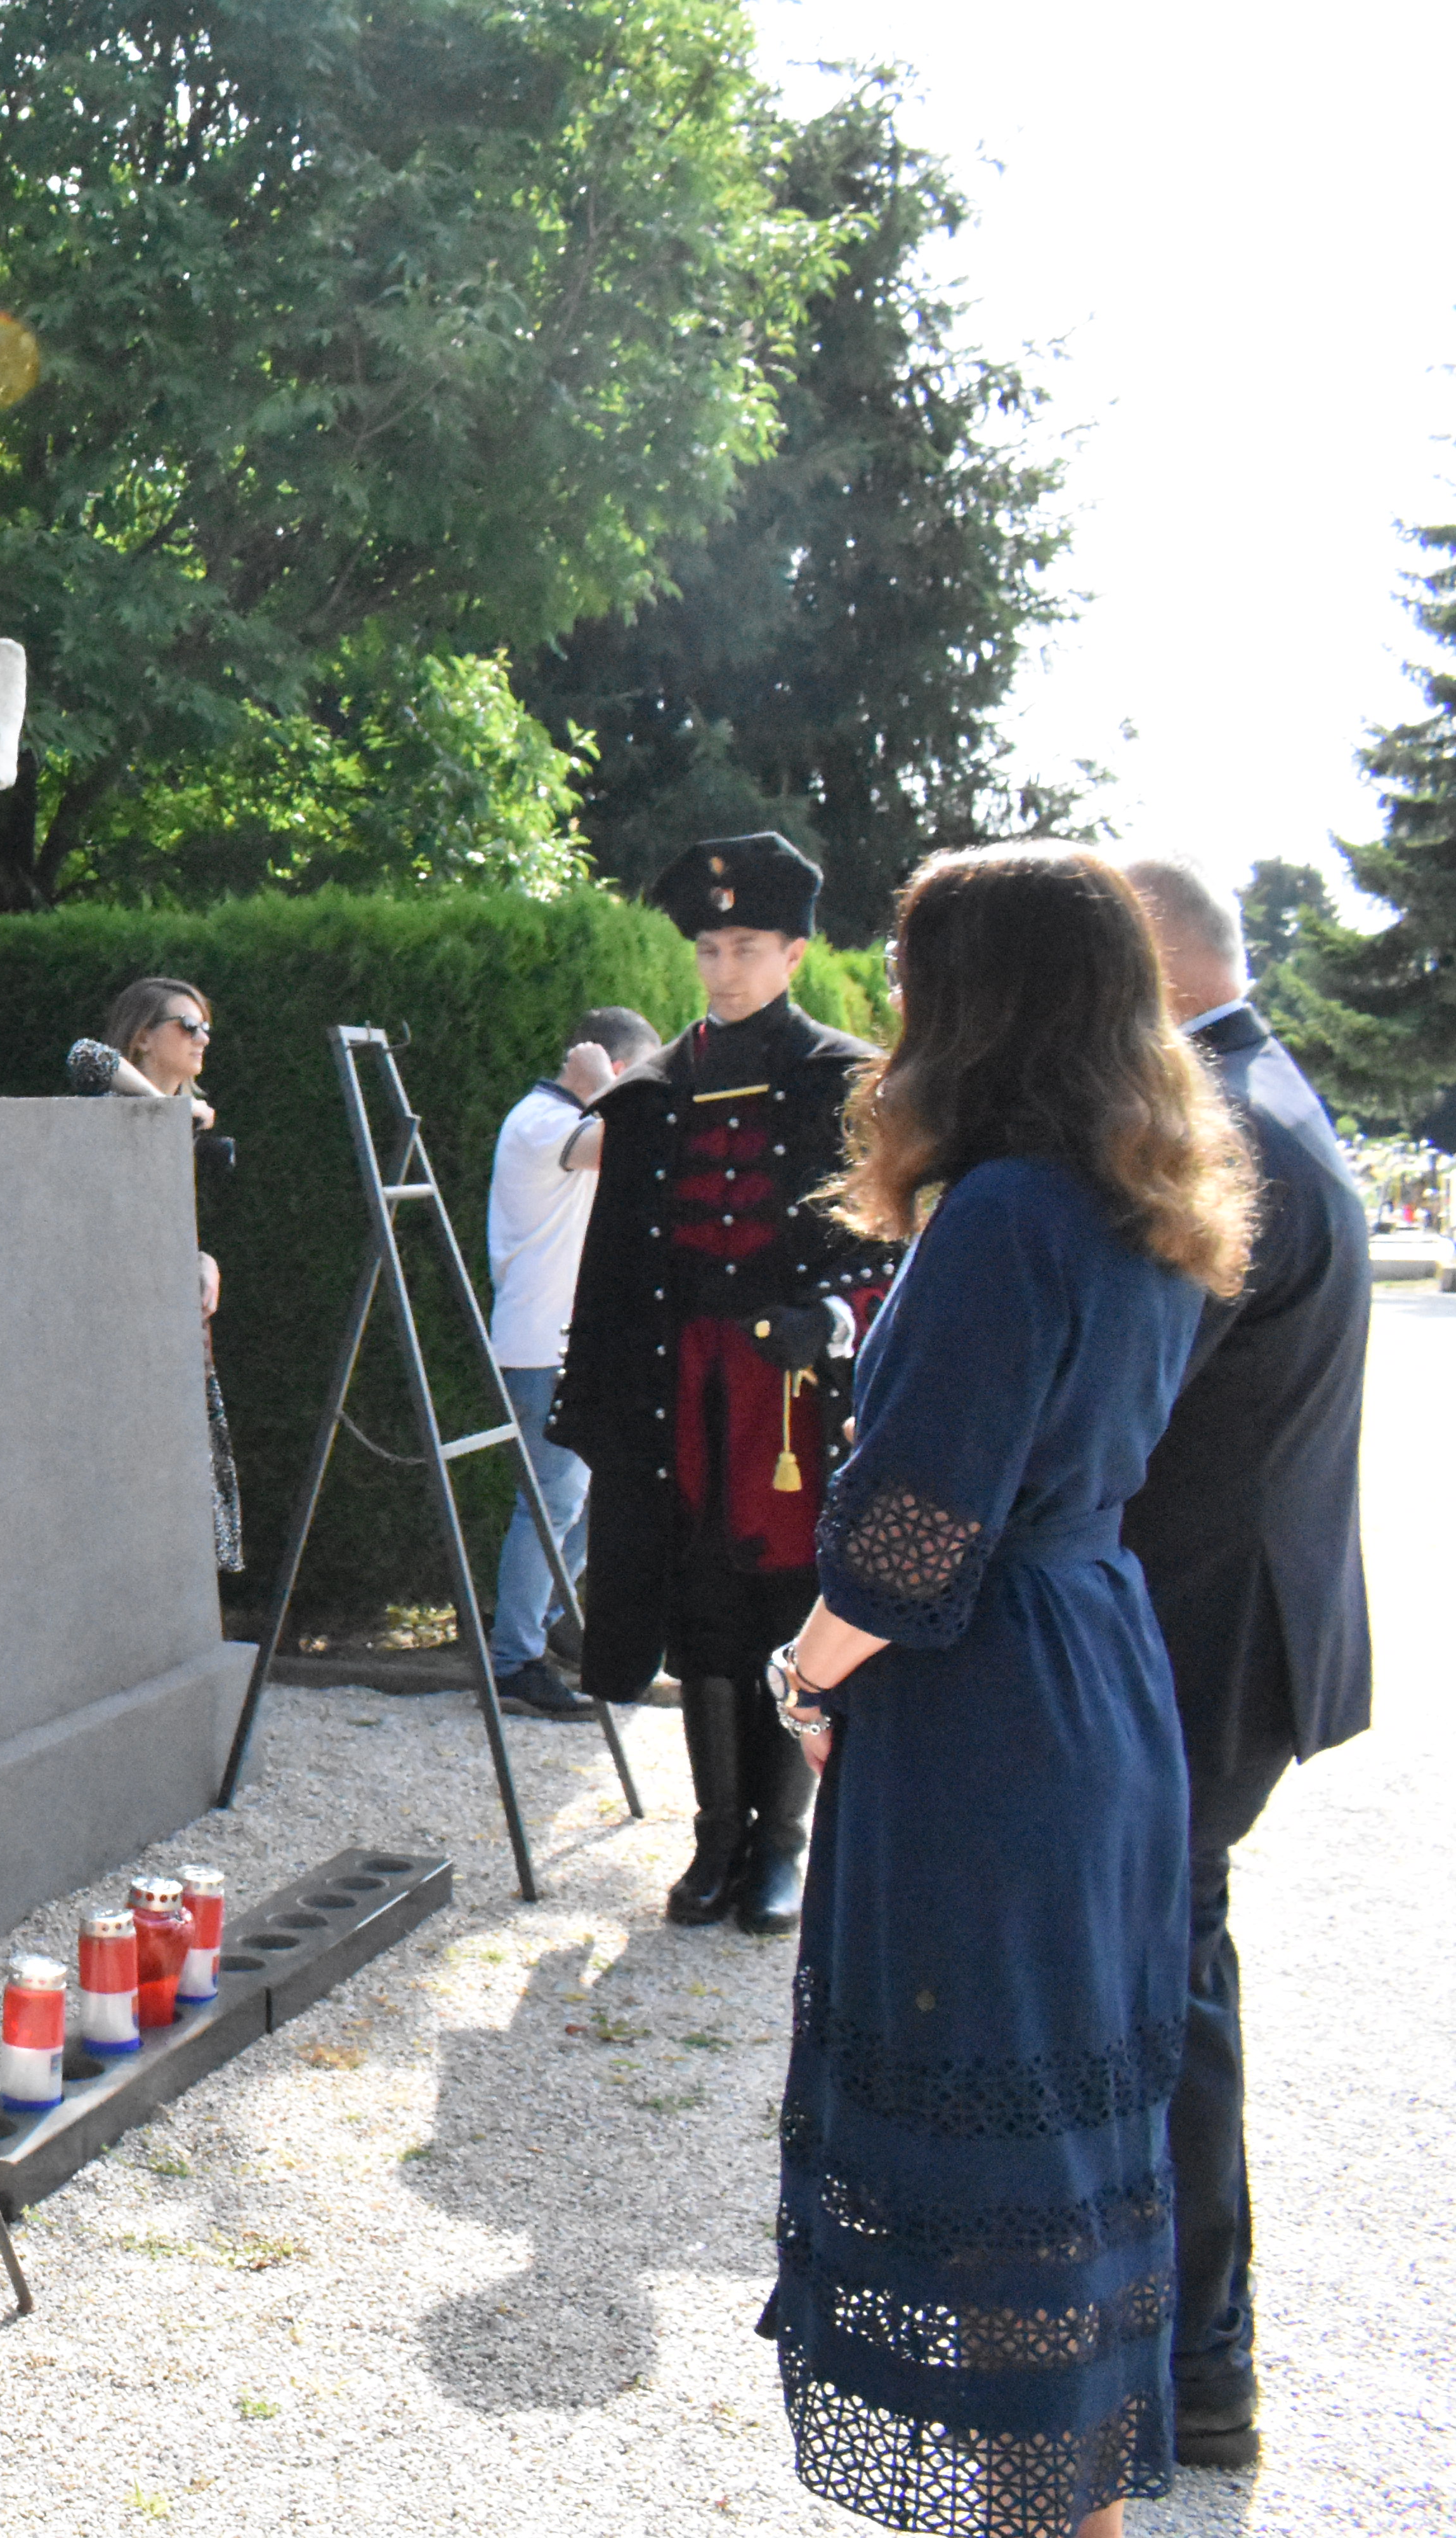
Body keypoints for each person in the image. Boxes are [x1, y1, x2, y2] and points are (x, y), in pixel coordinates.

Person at [759, 843, 1254, 2538]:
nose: (893, 1017)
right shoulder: (1135, 1197)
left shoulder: (1010, 1213)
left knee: (988, 2154)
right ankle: (1067, 2513)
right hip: (1096, 1667)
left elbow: (905, 1542)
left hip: (991, 1707)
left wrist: (802, 1670)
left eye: (912, 980)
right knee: (1065, 2149)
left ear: (977, 1005)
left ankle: (1044, 2520)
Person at [1106, 850, 1374, 2472]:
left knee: (1168, 1978)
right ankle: (1193, 2347)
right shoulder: (1262, 1087)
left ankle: (1199, 2355)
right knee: (1176, 1966)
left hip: (1203, 1620)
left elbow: (1113, 1404)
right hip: (1230, 1610)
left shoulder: (1222, 1128)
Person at [552, 835, 895, 1933]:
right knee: (701, 1611)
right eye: (709, 948)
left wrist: (835, 1317)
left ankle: (780, 1848)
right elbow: (613, 1265)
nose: (724, 969)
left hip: (795, 1401)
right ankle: (714, 1842)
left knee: (786, 1605)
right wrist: (595, 1401)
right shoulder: (654, 1093)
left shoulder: (848, 1082)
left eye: (746, 947)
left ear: (793, 953)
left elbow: (896, 1247)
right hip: (681, 1393)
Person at [480, 1004, 661, 1719]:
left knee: (587, 1494)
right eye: (639, 1076)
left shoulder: (556, 1119)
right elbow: (632, 1142)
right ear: (612, 1068)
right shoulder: (542, 1122)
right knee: (551, 1499)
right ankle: (512, 1659)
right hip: (542, 1346)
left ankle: (545, 1619)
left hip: (563, 1343)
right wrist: (605, 1088)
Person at [100, 975, 244, 1571]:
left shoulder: (180, 1127)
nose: (202, 1038)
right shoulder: (113, 1114)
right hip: (119, 1329)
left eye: (206, 1026)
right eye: (188, 1026)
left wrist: (202, 1260)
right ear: (142, 1038)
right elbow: (86, 1058)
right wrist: (170, 1112)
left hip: (173, 1325)